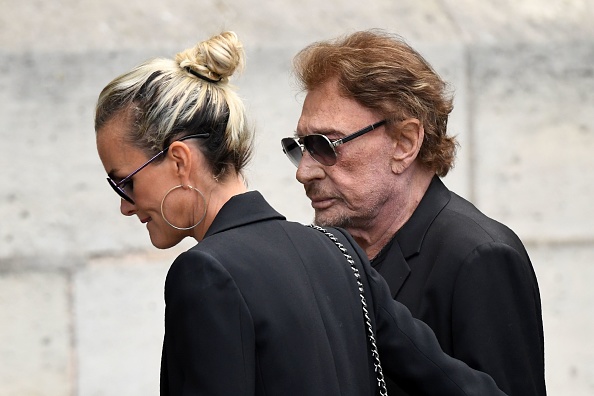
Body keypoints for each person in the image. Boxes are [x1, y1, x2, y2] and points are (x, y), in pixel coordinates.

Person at [94, 31, 508, 396]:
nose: (125, 204)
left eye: (124, 181)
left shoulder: (206, 272)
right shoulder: (340, 251)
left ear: (180, 160)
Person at [281, 29, 546, 396]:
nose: (303, 171)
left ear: (404, 143)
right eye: (299, 146)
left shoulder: (478, 257)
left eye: (324, 145)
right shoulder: (331, 252)